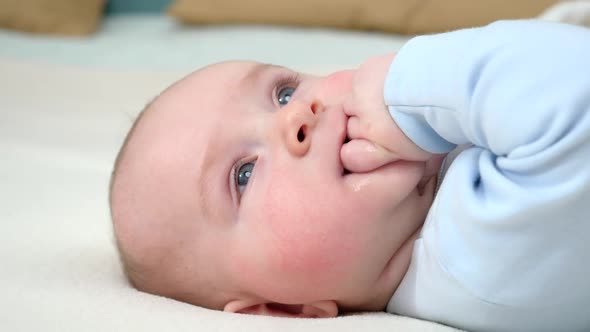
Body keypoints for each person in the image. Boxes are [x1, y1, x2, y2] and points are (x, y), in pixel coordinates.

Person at [109, 20, 590, 332]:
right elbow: (574, 94)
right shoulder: (480, 252)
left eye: (282, 91)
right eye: (243, 175)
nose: (296, 115)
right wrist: (404, 91)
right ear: (282, 310)